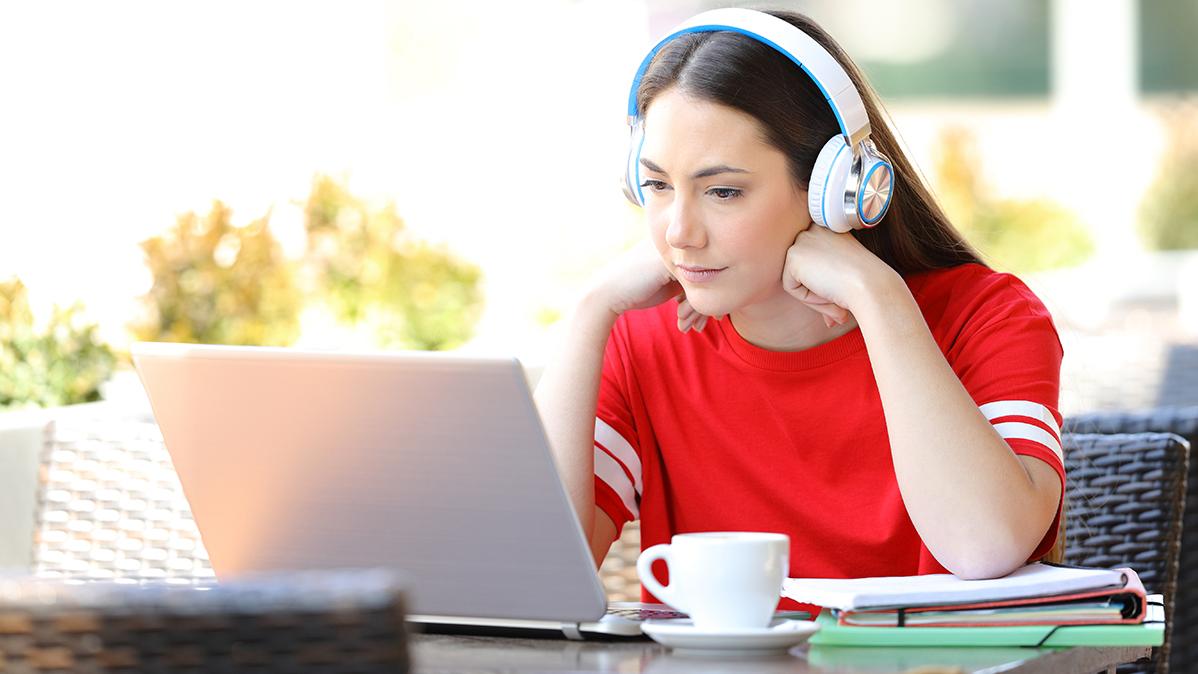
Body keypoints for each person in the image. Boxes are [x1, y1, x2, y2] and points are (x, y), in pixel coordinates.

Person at [533, 7, 1065, 612]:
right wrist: (589, 312)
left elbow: (984, 546)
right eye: (656, 186)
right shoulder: (640, 341)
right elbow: (534, 576)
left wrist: (878, 297)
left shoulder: (988, 316)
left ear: (834, 189)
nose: (679, 231)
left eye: (723, 191)